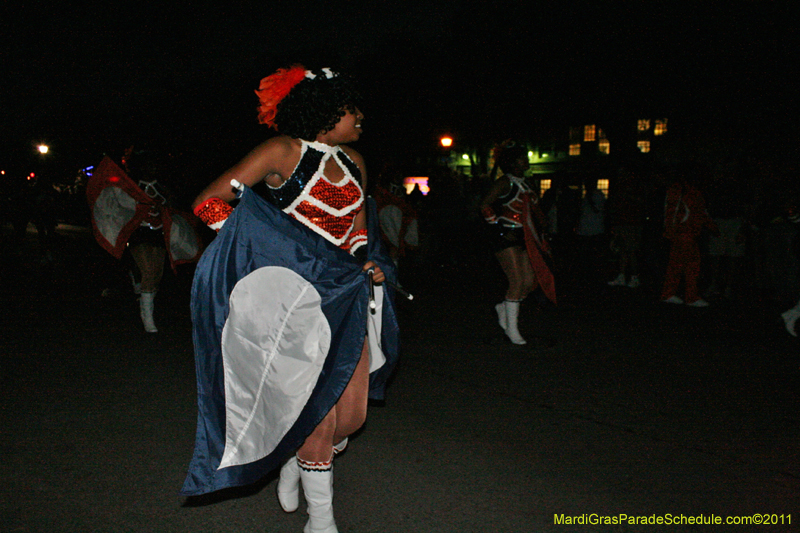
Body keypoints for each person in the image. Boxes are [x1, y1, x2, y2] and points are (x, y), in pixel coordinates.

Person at [185, 65, 399, 533]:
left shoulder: (355, 161)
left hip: (343, 297)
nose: (360, 116)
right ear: (323, 111)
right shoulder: (281, 151)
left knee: (351, 415)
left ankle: (293, 453)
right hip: (291, 302)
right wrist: (265, 255)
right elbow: (209, 203)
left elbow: (359, 227)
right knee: (316, 411)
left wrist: (366, 259)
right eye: (350, 109)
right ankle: (320, 518)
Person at [86, 151, 202, 332]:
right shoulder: (132, 187)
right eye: (148, 166)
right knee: (148, 270)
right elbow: (120, 203)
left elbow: (173, 207)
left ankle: (145, 302)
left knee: (156, 274)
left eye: (154, 166)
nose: (152, 169)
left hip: (158, 233)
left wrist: (165, 204)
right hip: (138, 232)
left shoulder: (163, 188)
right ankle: (147, 318)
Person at [480, 142, 555, 345]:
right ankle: (512, 330)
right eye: (522, 158)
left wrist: (543, 232)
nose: (526, 160)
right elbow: (485, 204)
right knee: (516, 281)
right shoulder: (505, 182)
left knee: (530, 282)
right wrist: (498, 227)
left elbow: (535, 211)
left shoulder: (528, 183)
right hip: (507, 237)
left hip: (527, 236)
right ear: (513, 163)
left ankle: (503, 308)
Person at [659, 166, 719, 307]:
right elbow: (699, 214)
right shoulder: (690, 192)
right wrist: (714, 228)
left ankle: (668, 293)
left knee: (676, 265)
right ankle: (691, 297)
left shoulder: (677, 189)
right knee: (692, 266)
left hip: (679, 234)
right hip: (687, 234)